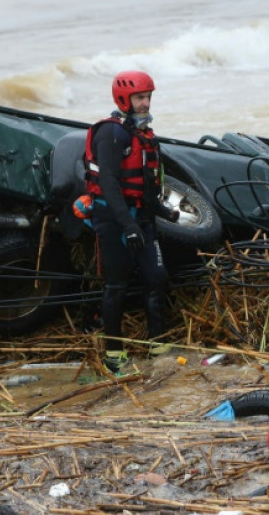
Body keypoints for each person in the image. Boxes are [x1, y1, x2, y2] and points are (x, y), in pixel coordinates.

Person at [84, 70, 178, 373]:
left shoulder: (145, 135)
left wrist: (163, 212)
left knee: (156, 277)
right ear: (124, 99)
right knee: (116, 285)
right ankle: (114, 353)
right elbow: (109, 185)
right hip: (114, 219)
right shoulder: (111, 134)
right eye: (139, 97)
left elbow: (148, 185)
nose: (145, 103)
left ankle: (158, 342)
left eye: (148, 96)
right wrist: (128, 226)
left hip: (142, 217)